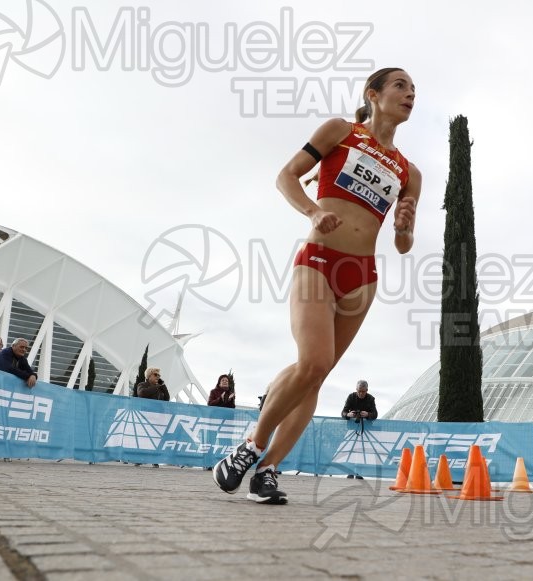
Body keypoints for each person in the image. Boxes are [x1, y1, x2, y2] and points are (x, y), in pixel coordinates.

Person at [213, 67, 420, 504]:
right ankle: (250, 447)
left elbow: (403, 245)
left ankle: (267, 471)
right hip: (320, 260)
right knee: (312, 361)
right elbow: (286, 175)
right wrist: (311, 212)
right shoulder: (339, 131)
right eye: (400, 85)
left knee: (316, 376)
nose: (410, 93)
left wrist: (404, 229)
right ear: (373, 94)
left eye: (414, 89)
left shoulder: (409, 172)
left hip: (362, 277)